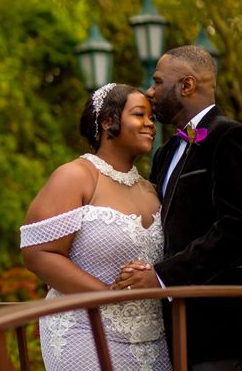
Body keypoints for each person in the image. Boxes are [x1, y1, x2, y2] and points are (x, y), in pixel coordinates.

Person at [113, 45, 242, 370]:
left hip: (226, 325)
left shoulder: (233, 138)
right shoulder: (165, 153)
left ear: (187, 85)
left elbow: (239, 228)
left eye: (157, 82)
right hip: (176, 325)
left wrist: (162, 277)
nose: (150, 91)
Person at [20, 83, 172, 370]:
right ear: (107, 122)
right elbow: (37, 253)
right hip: (84, 330)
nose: (150, 124)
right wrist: (107, 293)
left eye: (151, 117)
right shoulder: (76, 176)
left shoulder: (152, 190)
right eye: (140, 115)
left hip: (153, 340)